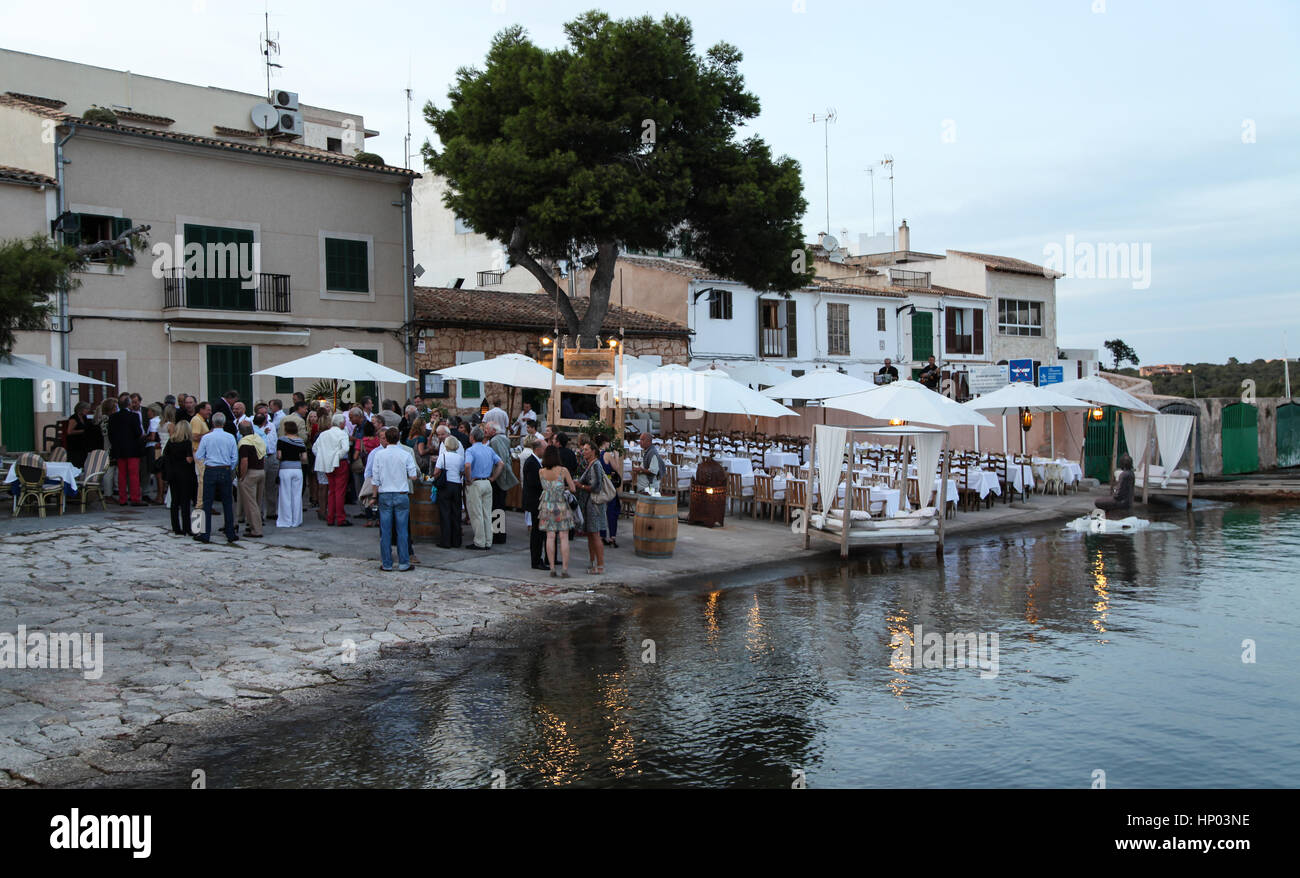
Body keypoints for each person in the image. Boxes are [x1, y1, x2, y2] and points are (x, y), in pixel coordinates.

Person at [368, 427, 420, 572]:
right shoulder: (405, 454)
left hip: (385, 493)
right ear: (398, 438)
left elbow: (375, 479)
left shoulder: (379, 455)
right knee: (402, 530)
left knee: (385, 531)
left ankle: (387, 563)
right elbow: (413, 475)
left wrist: (373, 496)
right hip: (401, 493)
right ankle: (404, 562)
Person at [194, 412, 239, 544]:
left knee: (207, 503)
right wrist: (229, 468)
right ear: (224, 423)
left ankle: (205, 534)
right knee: (227, 502)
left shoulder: (207, 438)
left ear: (213, 423)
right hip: (224, 469)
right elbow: (234, 457)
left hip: (211, 469)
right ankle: (230, 533)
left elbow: (199, 455)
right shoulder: (230, 437)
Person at [537, 444, 576, 577]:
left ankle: (552, 568)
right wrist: (563, 487)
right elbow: (573, 488)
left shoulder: (541, 471)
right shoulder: (563, 471)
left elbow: (543, 487)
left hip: (547, 506)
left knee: (550, 537)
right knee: (563, 537)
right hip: (561, 505)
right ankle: (564, 569)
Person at [463, 427, 504, 550]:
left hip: (476, 483)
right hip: (487, 482)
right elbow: (500, 463)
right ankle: (488, 540)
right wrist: (493, 477)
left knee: (476, 513)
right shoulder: (489, 450)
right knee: (487, 513)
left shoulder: (470, 450)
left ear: (472, 437)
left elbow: (467, 465)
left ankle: (479, 541)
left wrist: (468, 479)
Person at [574, 436, 608, 575]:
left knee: (595, 534)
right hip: (589, 503)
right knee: (591, 534)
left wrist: (580, 485)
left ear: (593, 451)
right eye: (584, 450)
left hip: (594, 504)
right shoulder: (590, 464)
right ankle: (593, 562)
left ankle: (600, 565)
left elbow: (596, 486)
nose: (584, 452)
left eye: (587, 450)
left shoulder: (595, 465)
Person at [314, 412, 352, 527]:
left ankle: (330, 517)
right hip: (340, 463)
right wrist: (336, 456)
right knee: (340, 491)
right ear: (341, 423)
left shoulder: (324, 434)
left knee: (332, 490)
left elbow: (315, 449)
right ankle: (340, 518)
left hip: (328, 464)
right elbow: (345, 448)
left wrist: (325, 457)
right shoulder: (342, 434)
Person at [108, 397, 146, 507]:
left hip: (119, 449)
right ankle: (135, 498)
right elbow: (138, 432)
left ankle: (122, 499)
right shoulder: (133, 416)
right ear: (129, 405)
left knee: (122, 475)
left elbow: (111, 434)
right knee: (134, 475)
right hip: (133, 449)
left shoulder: (113, 417)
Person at [485, 422, 518, 545]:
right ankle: (498, 533)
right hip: (500, 478)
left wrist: (494, 477)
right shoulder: (503, 439)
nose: (485, 431)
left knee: (497, 507)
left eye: (487, 429)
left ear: (493, 430)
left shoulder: (495, 441)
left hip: (498, 479)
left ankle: (498, 534)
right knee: (499, 506)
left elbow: (500, 461)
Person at [163, 419, 197, 535]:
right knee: (185, 503)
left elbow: (165, 456)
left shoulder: (171, 441)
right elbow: (189, 460)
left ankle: (176, 527)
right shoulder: (187, 443)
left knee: (175, 502)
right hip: (185, 475)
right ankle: (187, 528)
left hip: (173, 474)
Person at [433, 435, 465, 549]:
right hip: (456, 485)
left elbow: (436, 471)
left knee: (445, 513)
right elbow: (462, 472)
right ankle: (456, 541)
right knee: (456, 513)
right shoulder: (460, 458)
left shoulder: (443, 456)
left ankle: (445, 541)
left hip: (445, 485)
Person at [521, 438, 549, 570]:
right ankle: (536, 560)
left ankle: (538, 558)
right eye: (544, 448)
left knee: (539, 532)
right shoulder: (532, 463)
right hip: (534, 502)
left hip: (536, 501)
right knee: (537, 533)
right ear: (538, 449)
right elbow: (534, 483)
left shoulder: (536, 462)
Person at [236, 421, 267, 538]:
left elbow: (244, 462)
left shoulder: (244, 443)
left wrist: (242, 476)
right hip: (261, 471)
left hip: (250, 473)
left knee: (250, 503)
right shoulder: (258, 439)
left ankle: (256, 530)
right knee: (257, 501)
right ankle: (253, 524)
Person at [276, 421, 307, 527]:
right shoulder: (300, 441)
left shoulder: (281, 440)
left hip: (285, 469)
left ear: (286, 429)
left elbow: (279, 456)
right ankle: (296, 520)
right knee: (296, 495)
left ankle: (285, 520)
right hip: (297, 469)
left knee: (285, 495)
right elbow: (304, 458)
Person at [1095, 453, 1136, 518]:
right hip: (1128, 501)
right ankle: (1108, 514)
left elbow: (1118, 495)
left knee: (1098, 501)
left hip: (1122, 502)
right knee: (1106, 499)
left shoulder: (1123, 475)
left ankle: (1107, 515)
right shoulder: (1132, 473)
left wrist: (1114, 494)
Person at [600, 437, 622, 548]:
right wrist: (616, 456)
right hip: (608, 484)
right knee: (612, 510)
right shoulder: (607, 454)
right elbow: (616, 468)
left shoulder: (594, 453)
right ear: (605, 442)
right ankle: (612, 536)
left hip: (599, 484)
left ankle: (602, 535)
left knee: (601, 510)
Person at [63, 402, 99, 468]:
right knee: (75, 462)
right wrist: (83, 431)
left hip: (82, 444)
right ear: (81, 409)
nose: (88, 410)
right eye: (86, 409)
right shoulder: (74, 418)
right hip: (75, 445)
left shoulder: (84, 417)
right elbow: (69, 432)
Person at [190, 401, 212, 486]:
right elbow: (195, 437)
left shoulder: (202, 420)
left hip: (202, 453)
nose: (210, 412)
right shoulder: (196, 420)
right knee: (201, 478)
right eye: (208, 410)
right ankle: (200, 499)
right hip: (198, 452)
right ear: (201, 410)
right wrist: (209, 433)